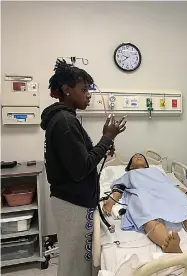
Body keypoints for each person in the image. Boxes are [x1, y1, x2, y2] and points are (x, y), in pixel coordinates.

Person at [41, 59, 127, 276]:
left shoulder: (66, 119)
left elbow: (83, 159)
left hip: (74, 200)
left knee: (77, 262)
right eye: (84, 90)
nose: (89, 95)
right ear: (67, 90)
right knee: (74, 265)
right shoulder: (65, 122)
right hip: (72, 203)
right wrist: (107, 137)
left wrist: (104, 145)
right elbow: (81, 169)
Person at [103, 153, 187, 253]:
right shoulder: (129, 175)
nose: (138, 156)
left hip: (167, 192)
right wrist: (110, 202)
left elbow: (173, 186)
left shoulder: (156, 171)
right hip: (143, 194)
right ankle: (168, 244)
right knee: (145, 211)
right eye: (135, 157)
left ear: (147, 163)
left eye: (141, 156)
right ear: (130, 166)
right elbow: (118, 189)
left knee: (186, 208)